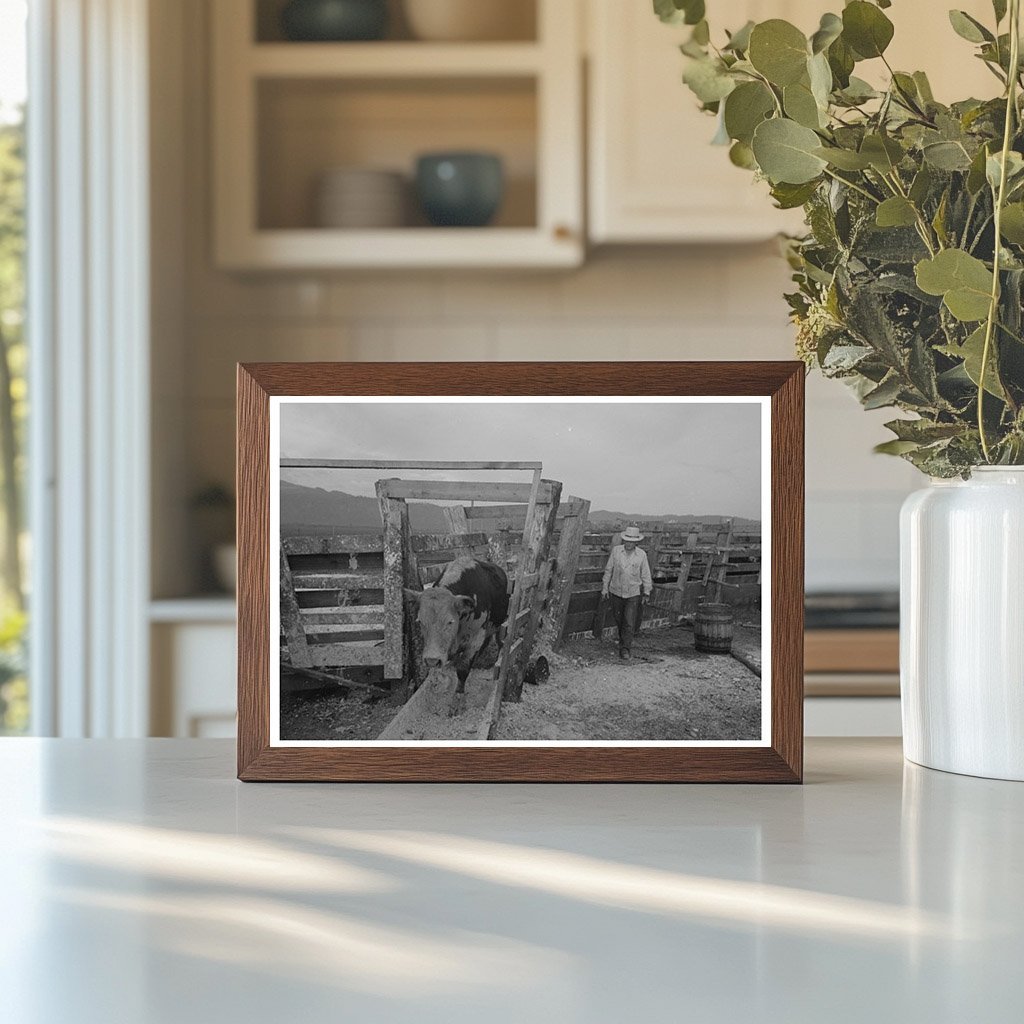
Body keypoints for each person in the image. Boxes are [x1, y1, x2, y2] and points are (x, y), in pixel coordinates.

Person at [601, 525, 653, 659]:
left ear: (636, 542)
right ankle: (623, 640)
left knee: (629, 621)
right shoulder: (616, 551)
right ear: (623, 540)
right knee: (619, 619)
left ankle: (625, 648)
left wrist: (647, 591)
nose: (629, 544)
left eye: (632, 541)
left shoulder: (641, 555)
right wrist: (605, 588)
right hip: (616, 591)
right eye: (627, 540)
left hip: (633, 593)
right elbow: (609, 570)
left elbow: (646, 574)